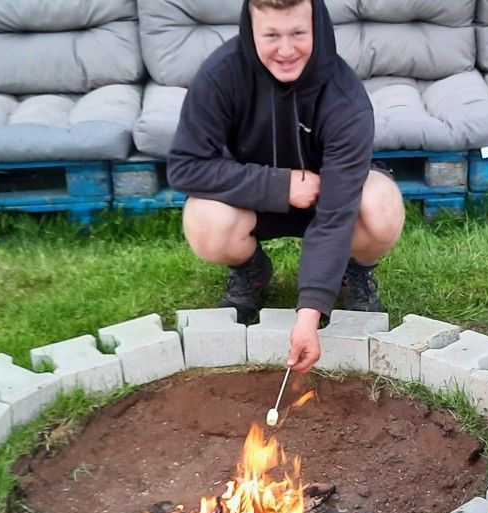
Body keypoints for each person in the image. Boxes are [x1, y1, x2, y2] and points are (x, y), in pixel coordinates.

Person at [167, 0, 405, 374]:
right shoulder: (221, 73)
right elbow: (185, 166)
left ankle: (352, 272)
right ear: (251, 28)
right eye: (271, 36)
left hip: (329, 196)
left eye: (298, 34)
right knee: (204, 219)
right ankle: (251, 271)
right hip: (255, 201)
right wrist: (279, 186)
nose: (286, 50)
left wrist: (309, 316)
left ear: (317, 28)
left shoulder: (345, 97)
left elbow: (336, 213)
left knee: (381, 204)